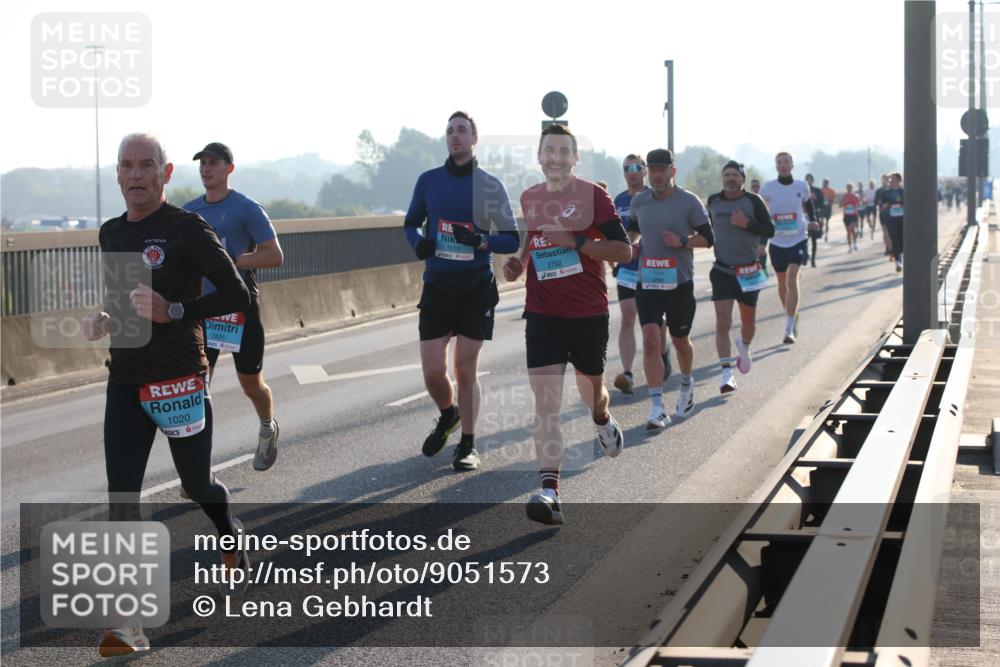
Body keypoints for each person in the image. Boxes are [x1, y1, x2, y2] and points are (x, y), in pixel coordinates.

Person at [85, 133, 251, 656]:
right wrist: (106, 317)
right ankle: (128, 625)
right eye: (126, 166)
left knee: (197, 484)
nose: (136, 174)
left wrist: (175, 310)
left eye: (146, 165)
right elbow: (124, 301)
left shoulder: (187, 229)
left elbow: (235, 293)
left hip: (179, 378)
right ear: (117, 174)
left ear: (166, 171)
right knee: (122, 500)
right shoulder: (111, 233)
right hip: (126, 379)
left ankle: (229, 533)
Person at [502, 124, 631, 525]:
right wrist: (517, 264)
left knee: (592, 391)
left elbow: (624, 251)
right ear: (539, 158)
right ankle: (549, 492)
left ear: (575, 158)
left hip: (588, 313)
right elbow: (532, 241)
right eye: (548, 151)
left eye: (563, 151)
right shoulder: (530, 197)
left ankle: (601, 419)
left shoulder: (594, 196)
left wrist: (577, 243)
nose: (555, 157)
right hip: (542, 313)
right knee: (546, 406)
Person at [404, 111, 519, 471]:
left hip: (475, 288)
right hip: (437, 285)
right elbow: (410, 223)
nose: (455, 136)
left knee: (465, 369)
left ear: (474, 138)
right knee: (432, 371)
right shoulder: (429, 181)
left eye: (462, 130)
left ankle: (468, 444)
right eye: (450, 131)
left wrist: (482, 240)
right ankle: (448, 413)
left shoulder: (490, 185)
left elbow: (511, 238)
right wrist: (418, 243)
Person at [184, 143, 284, 473]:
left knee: (251, 384)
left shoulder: (246, 209)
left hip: (240, 306)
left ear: (229, 168)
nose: (206, 169)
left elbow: (274, 255)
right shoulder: (189, 213)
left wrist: (230, 262)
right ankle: (198, 470)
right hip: (205, 309)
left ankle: (267, 428)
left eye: (213, 163)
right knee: (198, 388)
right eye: (202, 164)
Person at [628, 148, 714, 428]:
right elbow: (632, 230)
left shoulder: (688, 201)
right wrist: (632, 243)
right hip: (648, 282)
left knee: (680, 341)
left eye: (661, 170)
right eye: (652, 170)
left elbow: (708, 238)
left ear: (672, 172)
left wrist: (682, 241)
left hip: (679, 283)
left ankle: (687, 384)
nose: (656, 175)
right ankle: (656, 407)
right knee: (651, 340)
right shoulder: (639, 201)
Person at [706, 161, 774, 393]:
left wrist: (747, 224)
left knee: (748, 323)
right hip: (722, 270)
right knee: (723, 322)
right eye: (727, 174)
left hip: (749, 271)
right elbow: (708, 229)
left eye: (735, 175)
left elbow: (770, 230)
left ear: (742, 179)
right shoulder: (713, 201)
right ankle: (726, 374)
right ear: (722, 177)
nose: (731, 178)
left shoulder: (753, 201)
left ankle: (744, 346)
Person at [611, 154, 671, 396]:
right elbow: (613, 232)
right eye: (628, 168)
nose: (633, 172)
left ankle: (663, 351)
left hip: (654, 265)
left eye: (637, 167)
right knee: (627, 316)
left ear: (644, 171)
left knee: (656, 322)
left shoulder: (653, 196)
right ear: (624, 172)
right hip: (627, 266)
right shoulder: (618, 200)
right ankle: (627, 374)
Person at [760, 152, 818, 344]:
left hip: (798, 238)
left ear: (792, 165)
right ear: (776, 166)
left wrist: (814, 220)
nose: (783, 165)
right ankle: (792, 313)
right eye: (779, 162)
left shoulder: (801, 186)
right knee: (783, 281)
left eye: (786, 162)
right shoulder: (768, 188)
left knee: (792, 279)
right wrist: (762, 239)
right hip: (777, 240)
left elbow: (808, 203)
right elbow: (761, 214)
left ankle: (789, 326)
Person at [881, 172, 905, 272]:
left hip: (902, 218)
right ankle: (897, 260)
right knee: (893, 237)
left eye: (893, 179)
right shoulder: (886, 193)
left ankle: (901, 255)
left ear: (899, 181)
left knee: (901, 238)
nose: (891, 181)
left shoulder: (903, 191)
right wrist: (886, 205)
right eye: (890, 179)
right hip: (891, 218)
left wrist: (901, 202)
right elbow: (882, 205)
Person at [804, 173, 825, 267]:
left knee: (814, 239)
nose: (808, 181)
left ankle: (813, 259)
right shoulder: (803, 190)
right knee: (804, 238)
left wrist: (815, 198)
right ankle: (805, 255)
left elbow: (822, 203)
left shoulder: (817, 191)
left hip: (815, 216)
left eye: (810, 180)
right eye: (807, 179)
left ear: (812, 181)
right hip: (805, 217)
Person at [750, 178, 769, 275]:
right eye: (753, 186)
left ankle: (764, 268)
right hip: (752, 228)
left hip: (763, 227)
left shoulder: (764, 198)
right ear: (750, 188)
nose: (755, 188)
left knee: (761, 249)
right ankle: (757, 271)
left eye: (757, 186)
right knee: (755, 252)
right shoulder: (748, 199)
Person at [840, 183, 862, 251]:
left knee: (852, 230)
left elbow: (860, 203)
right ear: (847, 188)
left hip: (853, 215)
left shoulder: (855, 195)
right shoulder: (844, 196)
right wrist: (845, 203)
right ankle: (850, 246)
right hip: (846, 215)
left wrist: (855, 205)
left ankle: (854, 243)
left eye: (850, 187)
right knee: (848, 232)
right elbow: (840, 205)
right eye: (848, 187)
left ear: (852, 188)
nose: (849, 188)